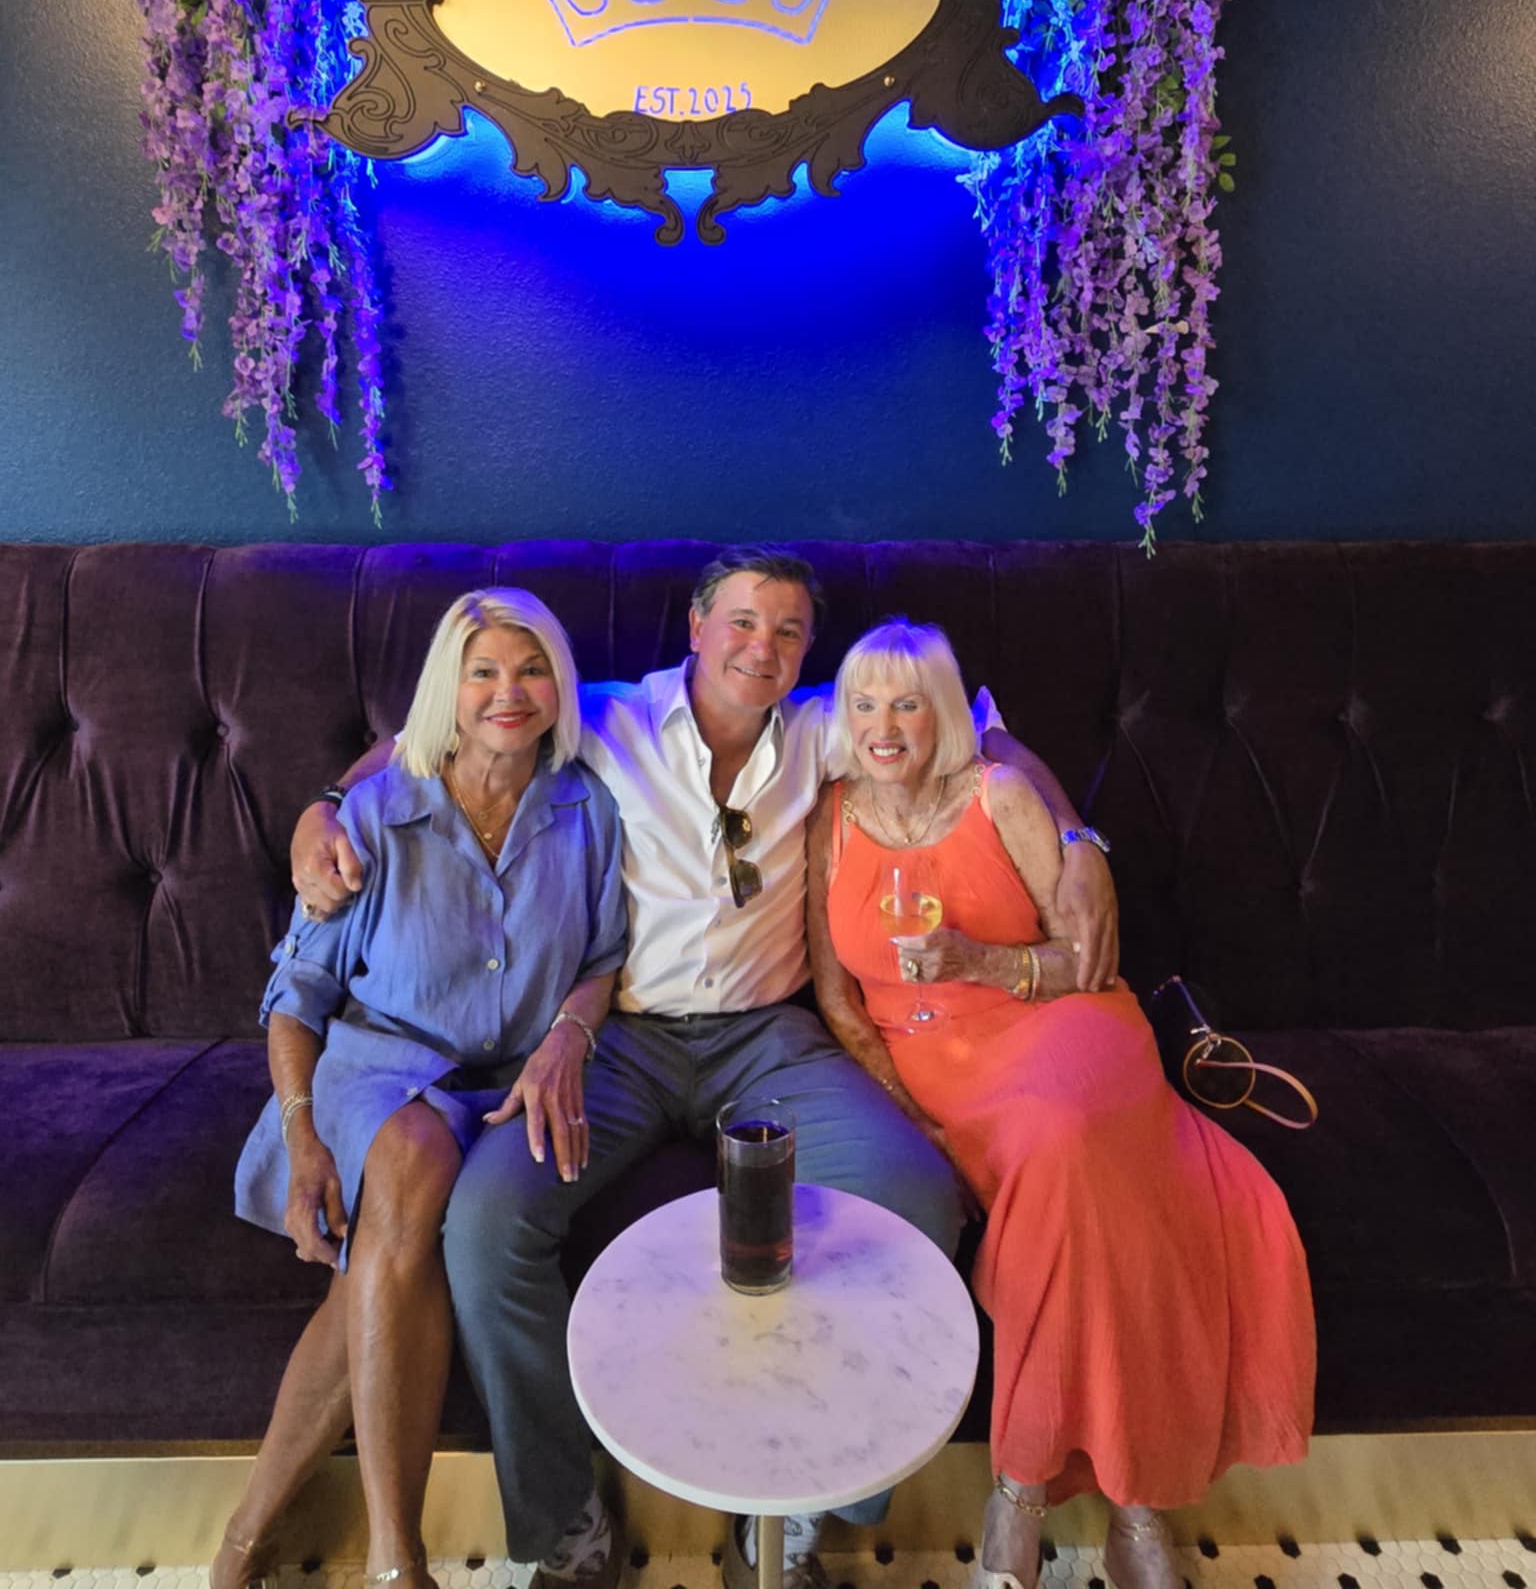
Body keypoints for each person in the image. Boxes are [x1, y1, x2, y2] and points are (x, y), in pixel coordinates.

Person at [288, 549, 1120, 1589]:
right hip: (622, 1039)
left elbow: (979, 724)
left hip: (769, 1035)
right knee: (488, 1223)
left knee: (913, 1193)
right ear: (695, 627)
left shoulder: (827, 724)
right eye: (742, 622)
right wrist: (327, 803)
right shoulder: (608, 717)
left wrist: (1077, 837)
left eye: (787, 631)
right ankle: (567, 1520)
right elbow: (442, 724)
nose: (762, 647)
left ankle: (807, 1506)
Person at [806, 619, 1315, 1589]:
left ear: (945, 712)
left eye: (907, 704)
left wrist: (978, 961)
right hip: (932, 1062)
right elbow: (838, 1000)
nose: (884, 726)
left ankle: (1021, 1490)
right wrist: (911, 1117)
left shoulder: (999, 793)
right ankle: (1137, 1502)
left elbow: (1085, 962)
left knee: (1063, 1140)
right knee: (1079, 1197)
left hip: (1059, 1023)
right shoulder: (830, 816)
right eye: (864, 704)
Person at [216, 589, 627, 1589]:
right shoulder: (375, 814)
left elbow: (603, 956)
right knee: (412, 1155)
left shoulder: (588, 807)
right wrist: (305, 1138)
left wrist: (567, 1037)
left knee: (385, 1260)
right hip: (377, 1070)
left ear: (560, 684)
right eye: (483, 672)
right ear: (448, 688)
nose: (508, 692)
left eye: (530, 669)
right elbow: (295, 996)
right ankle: (397, 1559)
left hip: (507, 1081)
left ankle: (246, 1537)